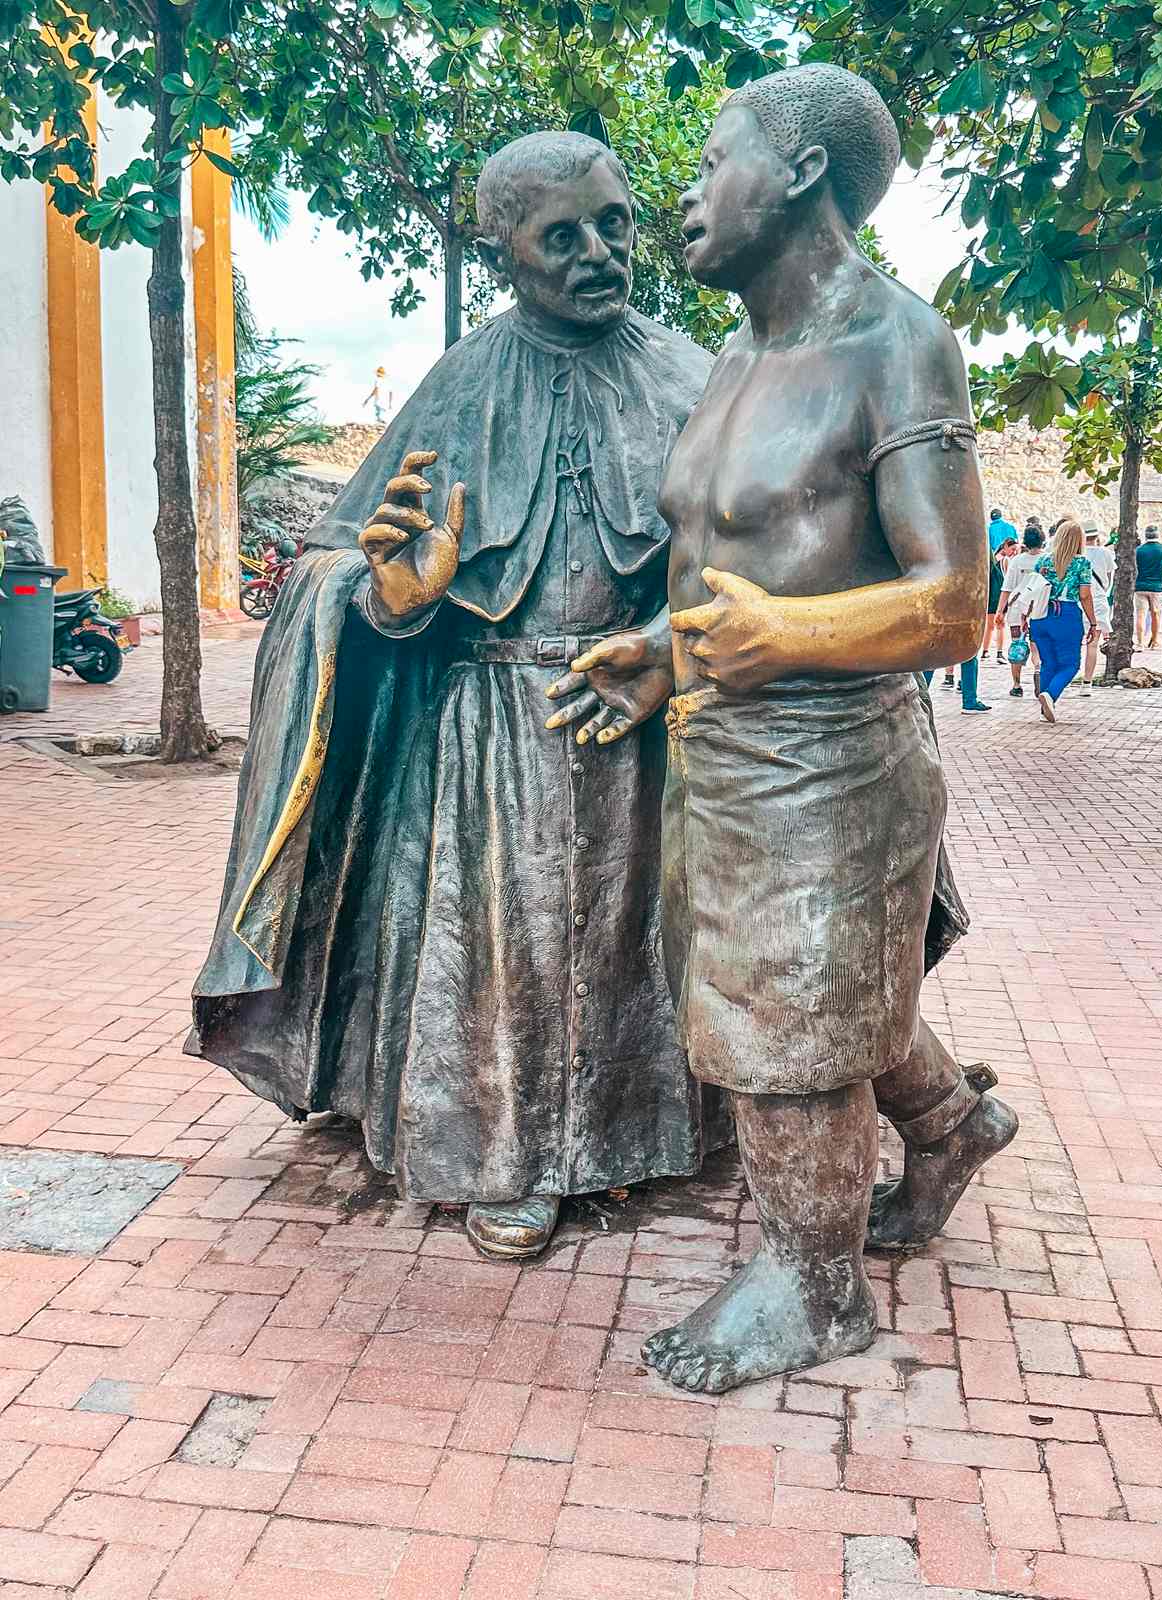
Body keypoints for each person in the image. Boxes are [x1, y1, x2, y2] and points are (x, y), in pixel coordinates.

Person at [192, 132, 727, 1263]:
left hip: (651, 723)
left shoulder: (698, 375)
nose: (600, 253)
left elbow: (767, 560)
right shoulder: (461, 384)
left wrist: (669, 646)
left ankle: (659, 1124)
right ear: (505, 251)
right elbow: (346, 576)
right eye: (561, 236)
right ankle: (511, 1156)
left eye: (615, 223)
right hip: (492, 737)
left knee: (654, 938)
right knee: (502, 960)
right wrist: (392, 599)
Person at [576, 64, 1017, 1391]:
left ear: (802, 174)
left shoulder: (898, 343)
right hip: (719, 754)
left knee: (788, 1040)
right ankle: (952, 1125)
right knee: (813, 1008)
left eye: (713, 164)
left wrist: (787, 641)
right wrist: (663, 651)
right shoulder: (735, 354)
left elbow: (953, 601)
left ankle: (813, 1295)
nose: (688, 195)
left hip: (832, 763)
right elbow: (752, 561)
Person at [1027, 518, 1099, 723]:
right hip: (1065, 614)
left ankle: (1045, 710)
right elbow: (1085, 595)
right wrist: (1093, 622)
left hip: (1040, 616)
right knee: (1071, 664)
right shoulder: (1081, 563)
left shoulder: (1043, 561)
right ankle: (1050, 694)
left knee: (1049, 662)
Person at [996, 525, 1046, 696]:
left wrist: (999, 611)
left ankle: (1016, 685)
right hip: (1040, 609)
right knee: (1036, 645)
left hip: (1017, 609)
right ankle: (1038, 669)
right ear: (1042, 540)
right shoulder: (1047, 559)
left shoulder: (1017, 561)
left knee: (1017, 644)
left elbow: (1007, 588)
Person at [1080, 523, 1114, 695]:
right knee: (1092, 645)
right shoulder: (1105, 553)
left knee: (1073, 643)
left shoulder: (1077, 554)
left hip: (1078, 601)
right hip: (1098, 601)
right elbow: (1109, 577)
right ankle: (1087, 683)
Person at [1135, 525, 1162, 649]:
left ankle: (1140, 643)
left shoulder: (1138, 550)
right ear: (1158, 534)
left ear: (1146, 535)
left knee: (1140, 614)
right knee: (1155, 614)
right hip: (1157, 587)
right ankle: (1154, 641)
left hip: (1140, 586)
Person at [979, 545, 1009, 663]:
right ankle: (999, 652)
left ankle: (985, 651)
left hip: (989, 597)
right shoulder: (1004, 561)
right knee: (1000, 626)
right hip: (999, 597)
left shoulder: (984, 565)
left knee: (990, 626)